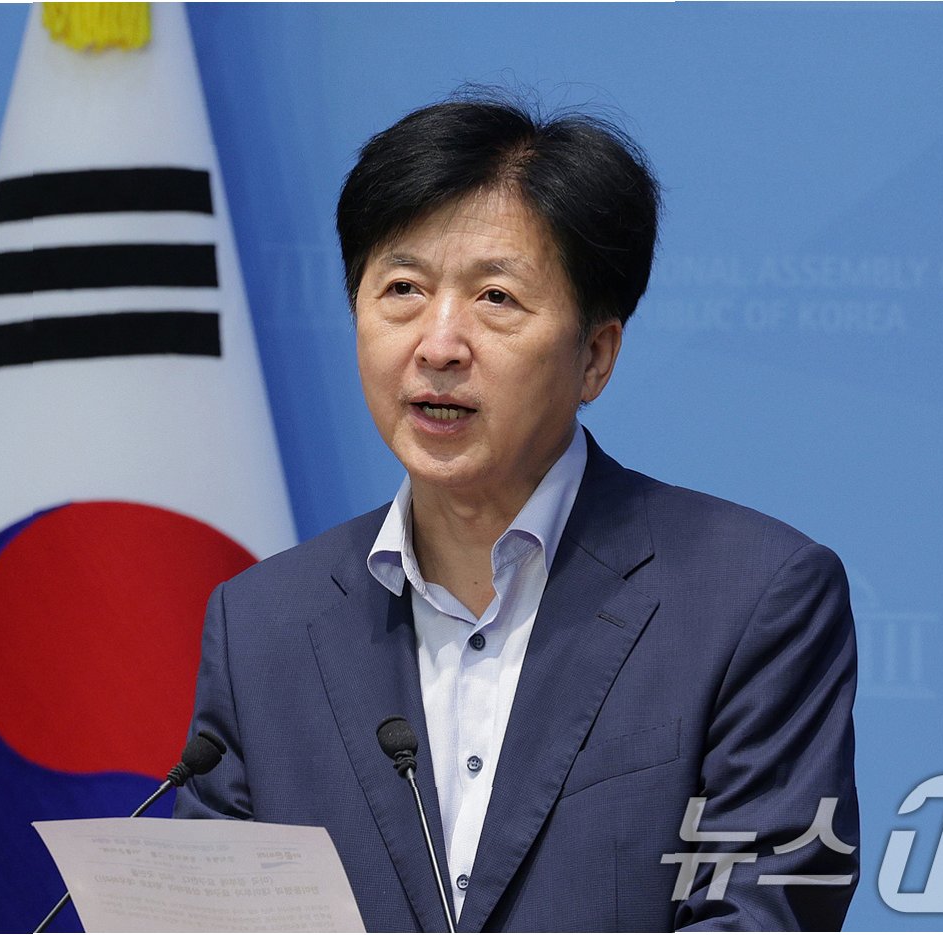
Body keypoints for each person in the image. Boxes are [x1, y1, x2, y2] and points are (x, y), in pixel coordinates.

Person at [175, 95, 859, 932]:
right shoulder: (263, 627)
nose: (438, 345)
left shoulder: (752, 599)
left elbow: (763, 909)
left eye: (496, 298)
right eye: (402, 289)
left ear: (595, 355)